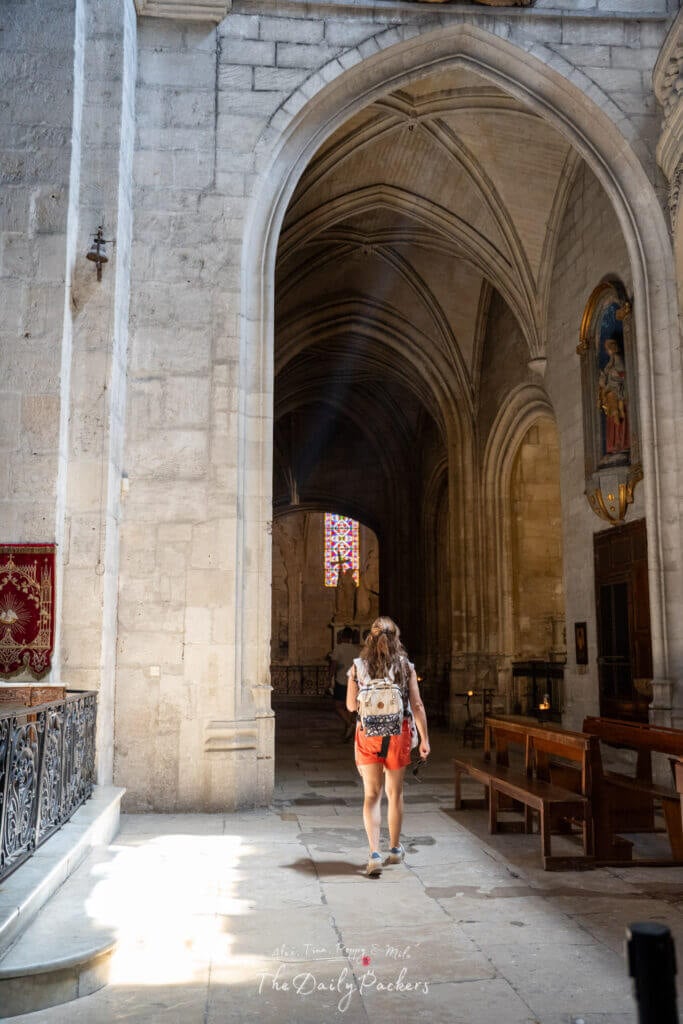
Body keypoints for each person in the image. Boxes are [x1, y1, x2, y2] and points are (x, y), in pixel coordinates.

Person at [346, 616, 430, 877]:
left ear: (369, 638)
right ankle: (394, 849)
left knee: (372, 795)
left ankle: (373, 854)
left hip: (368, 735)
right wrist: (424, 740)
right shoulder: (406, 667)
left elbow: (350, 706)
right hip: (399, 734)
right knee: (395, 793)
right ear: (397, 639)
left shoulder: (357, 667)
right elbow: (416, 705)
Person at [328, 626, 360, 740]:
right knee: (349, 707)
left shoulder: (339, 648)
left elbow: (334, 665)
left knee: (338, 705)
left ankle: (350, 724)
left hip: (341, 680)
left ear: (342, 636)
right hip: (354, 681)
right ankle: (348, 730)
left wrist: (329, 678)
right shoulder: (356, 650)